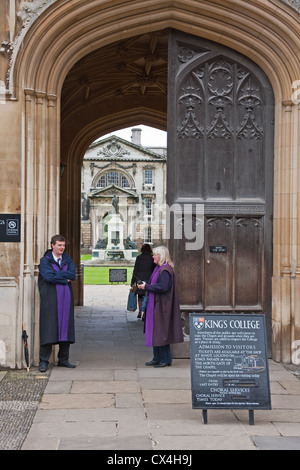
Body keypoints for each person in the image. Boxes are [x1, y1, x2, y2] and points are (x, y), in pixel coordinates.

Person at [139, 246, 183, 367]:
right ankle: (157, 358)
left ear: (161, 256)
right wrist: (145, 284)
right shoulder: (159, 269)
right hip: (156, 304)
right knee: (156, 331)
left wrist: (146, 287)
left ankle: (164, 360)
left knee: (161, 332)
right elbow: (155, 283)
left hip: (162, 306)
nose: (153, 256)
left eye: (155, 255)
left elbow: (162, 287)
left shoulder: (165, 270)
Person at [38, 234, 76, 372]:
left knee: (66, 328)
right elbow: (47, 277)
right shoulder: (45, 261)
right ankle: (43, 361)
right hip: (51, 299)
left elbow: (72, 275)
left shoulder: (67, 260)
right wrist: (63, 278)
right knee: (49, 327)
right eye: (59, 245)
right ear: (52, 245)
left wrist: (57, 275)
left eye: (63, 245)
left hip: (66, 300)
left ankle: (63, 359)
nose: (62, 248)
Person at [131, 243, 155, 318]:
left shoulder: (139, 258)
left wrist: (132, 281)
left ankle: (140, 312)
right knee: (147, 296)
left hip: (139, 279)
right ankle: (145, 314)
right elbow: (154, 270)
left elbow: (135, 270)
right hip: (149, 279)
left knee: (140, 296)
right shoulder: (152, 258)